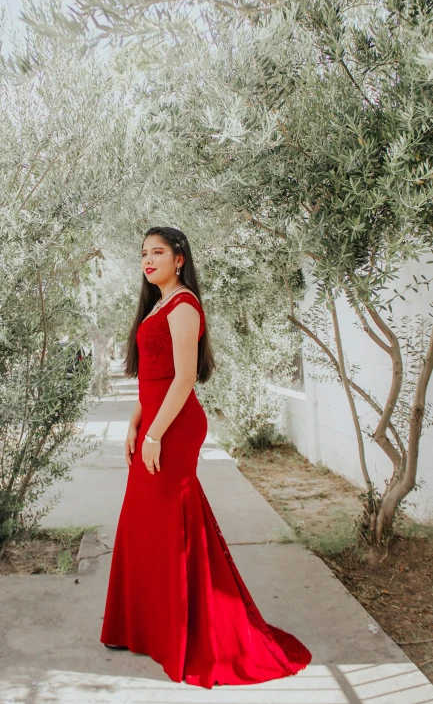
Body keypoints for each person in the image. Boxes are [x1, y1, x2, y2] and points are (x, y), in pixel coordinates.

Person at [100, 226, 312, 688]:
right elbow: (151, 378)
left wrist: (154, 434)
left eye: (158, 251)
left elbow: (184, 378)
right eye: (143, 253)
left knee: (167, 522)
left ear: (180, 259)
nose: (148, 259)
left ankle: (182, 631)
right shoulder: (157, 305)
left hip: (175, 427)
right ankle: (146, 627)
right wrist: (136, 421)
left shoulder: (184, 305)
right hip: (156, 421)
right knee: (143, 523)